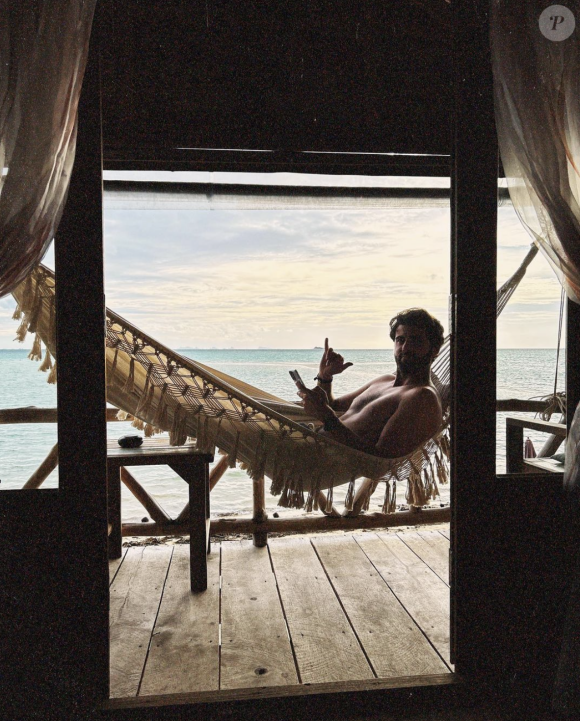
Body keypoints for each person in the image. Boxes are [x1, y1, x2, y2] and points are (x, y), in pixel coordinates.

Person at [297, 308, 445, 459]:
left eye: (415, 340)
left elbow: (380, 458)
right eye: (400, 340)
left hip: (319, 459)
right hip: (309, 444)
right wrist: (325, 377)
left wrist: (328, 420)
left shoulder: (423, 398)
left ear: (435, 350)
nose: (405, 347)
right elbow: (333, 406)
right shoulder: (384, 380)